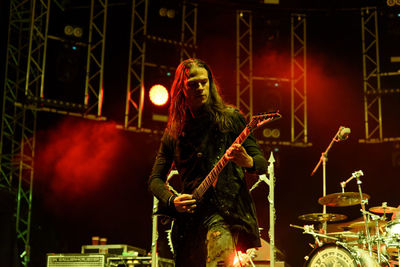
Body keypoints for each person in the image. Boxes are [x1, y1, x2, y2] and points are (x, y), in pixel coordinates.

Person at [148, 58, 268, 266]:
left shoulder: (231, 118)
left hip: (224, 213)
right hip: (189, 221)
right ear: (182, 89)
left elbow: (261, 163)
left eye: (204, 82)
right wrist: (171, 200)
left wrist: (247, 161)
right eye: (193, 84)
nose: (200, 88)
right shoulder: (174, 132)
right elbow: (155, 180)